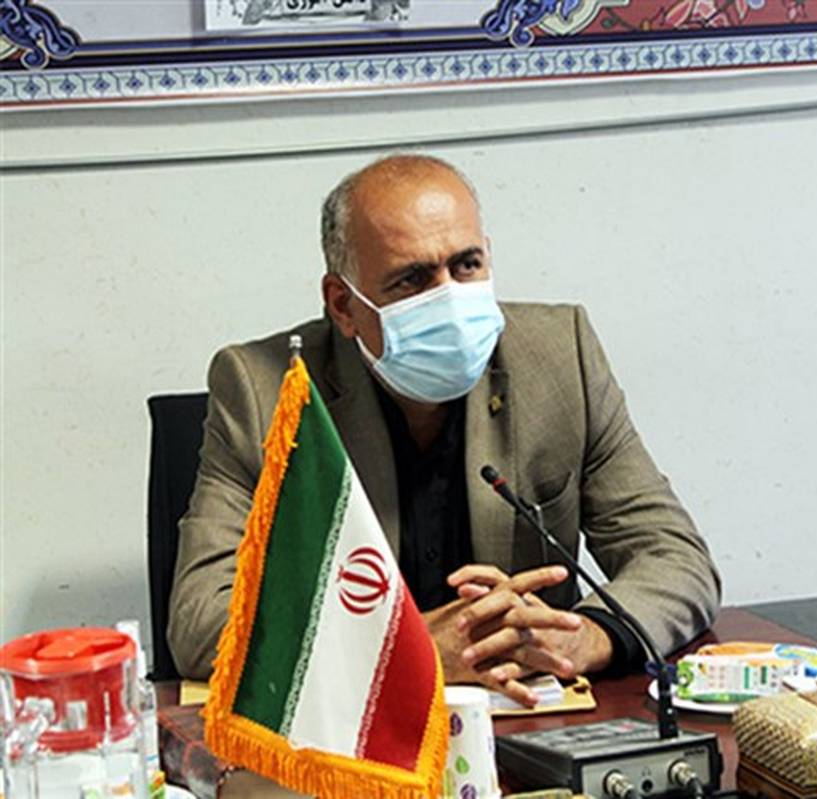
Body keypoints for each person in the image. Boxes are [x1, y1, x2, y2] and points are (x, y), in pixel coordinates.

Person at [167, 154, 721, 705]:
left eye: (466, 265)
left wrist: (586, 637)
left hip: (534, 716)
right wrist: (405, 651)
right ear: (343, 304)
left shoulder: (560, 357)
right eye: (413, 279)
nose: (450, 297)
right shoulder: (265, 389)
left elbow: (675, 558)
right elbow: (201, 620)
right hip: (359, 733)